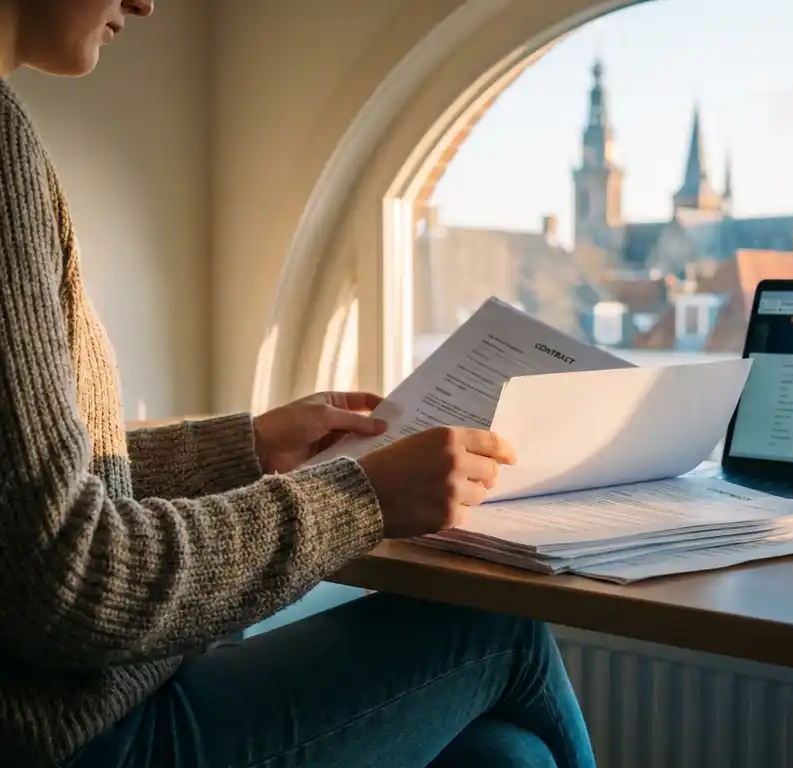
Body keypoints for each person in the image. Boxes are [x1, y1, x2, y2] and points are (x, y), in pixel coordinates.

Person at [0, 1, 597, 766]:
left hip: (80, 712)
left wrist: (244, 447)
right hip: (74, 740)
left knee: (507, 757)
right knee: (498, 629)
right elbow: (67, 574)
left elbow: (27, 499)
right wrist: (362, 498)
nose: (146, 3)